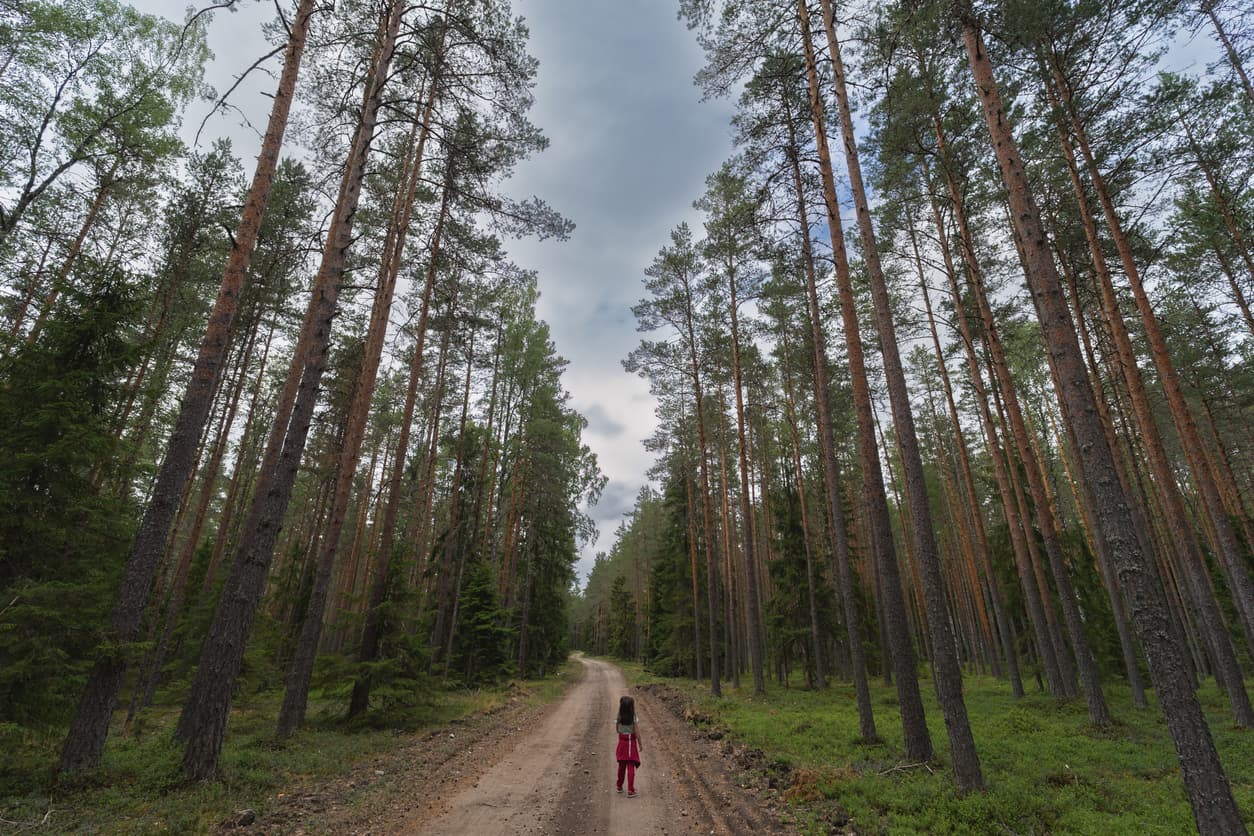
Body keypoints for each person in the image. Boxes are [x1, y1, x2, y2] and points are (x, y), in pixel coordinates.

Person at [614, 695, 642, 797]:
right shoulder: (633, 717)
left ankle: (619, 786)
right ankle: (630, 789)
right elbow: (637, 732)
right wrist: (640, 744)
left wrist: (622, 731)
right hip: (630, 743)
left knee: (621, 766)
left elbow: (617, 729)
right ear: (631, 707)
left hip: (621, 742)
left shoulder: (619, 716)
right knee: (630, 766)